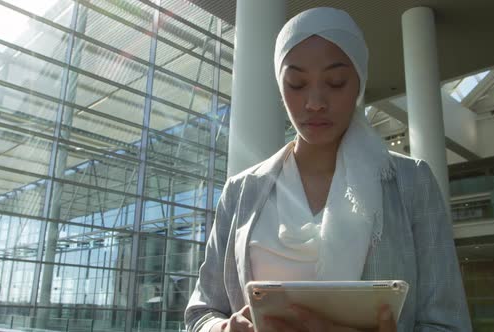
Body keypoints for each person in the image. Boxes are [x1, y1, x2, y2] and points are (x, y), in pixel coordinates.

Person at [185, 7, 471, 332]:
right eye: (296, 83)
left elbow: (449, 323)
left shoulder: (411, 182)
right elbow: (201, 313)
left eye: (336, 83)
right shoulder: (241, 191)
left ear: (359, 82)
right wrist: (224, 330)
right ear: (280, 86)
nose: (315, 102)